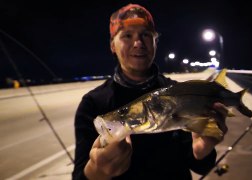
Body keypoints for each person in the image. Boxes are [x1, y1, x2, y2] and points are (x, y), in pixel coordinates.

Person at [72, 3, 228, 180]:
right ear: (112, 45)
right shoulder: (92, 103)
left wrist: (203, 151)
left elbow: (200, 165)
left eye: (145, 35)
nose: (138, 43)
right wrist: (96, 171)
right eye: (127, 36)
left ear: (155, 42)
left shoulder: (180, 94)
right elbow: (80, 176)